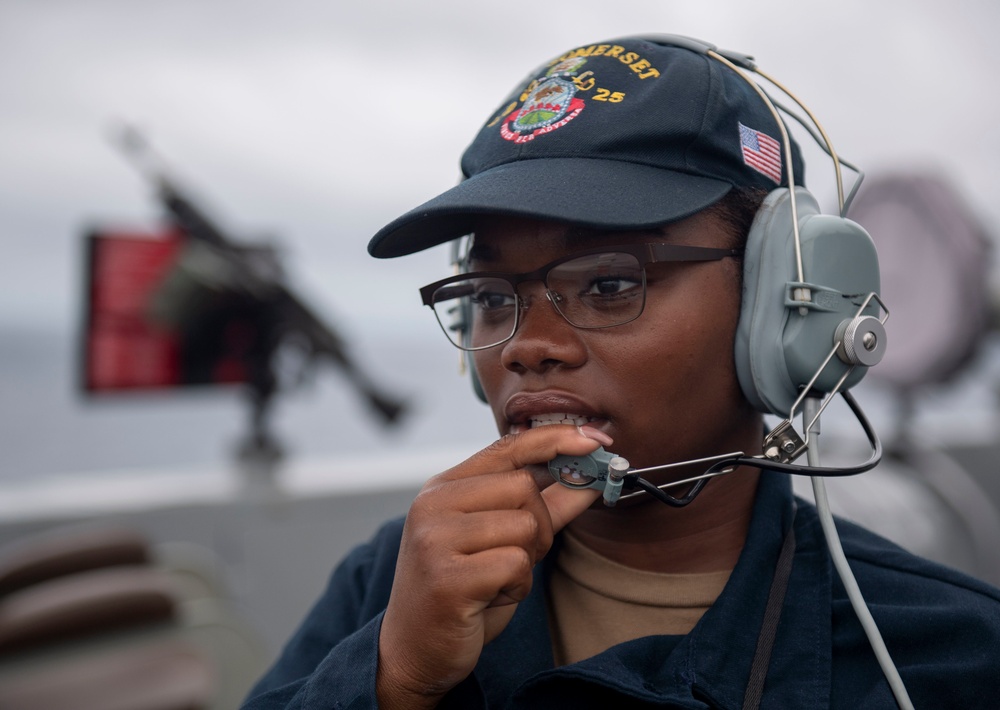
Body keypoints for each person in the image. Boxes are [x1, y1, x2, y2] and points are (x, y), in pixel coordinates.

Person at [243, 35, 1000, 709]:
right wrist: (393, 680)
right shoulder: (391, 587)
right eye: (488, 295)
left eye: (609, 283)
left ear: (782, 309)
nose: (524, 347)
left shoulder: (948, 657)